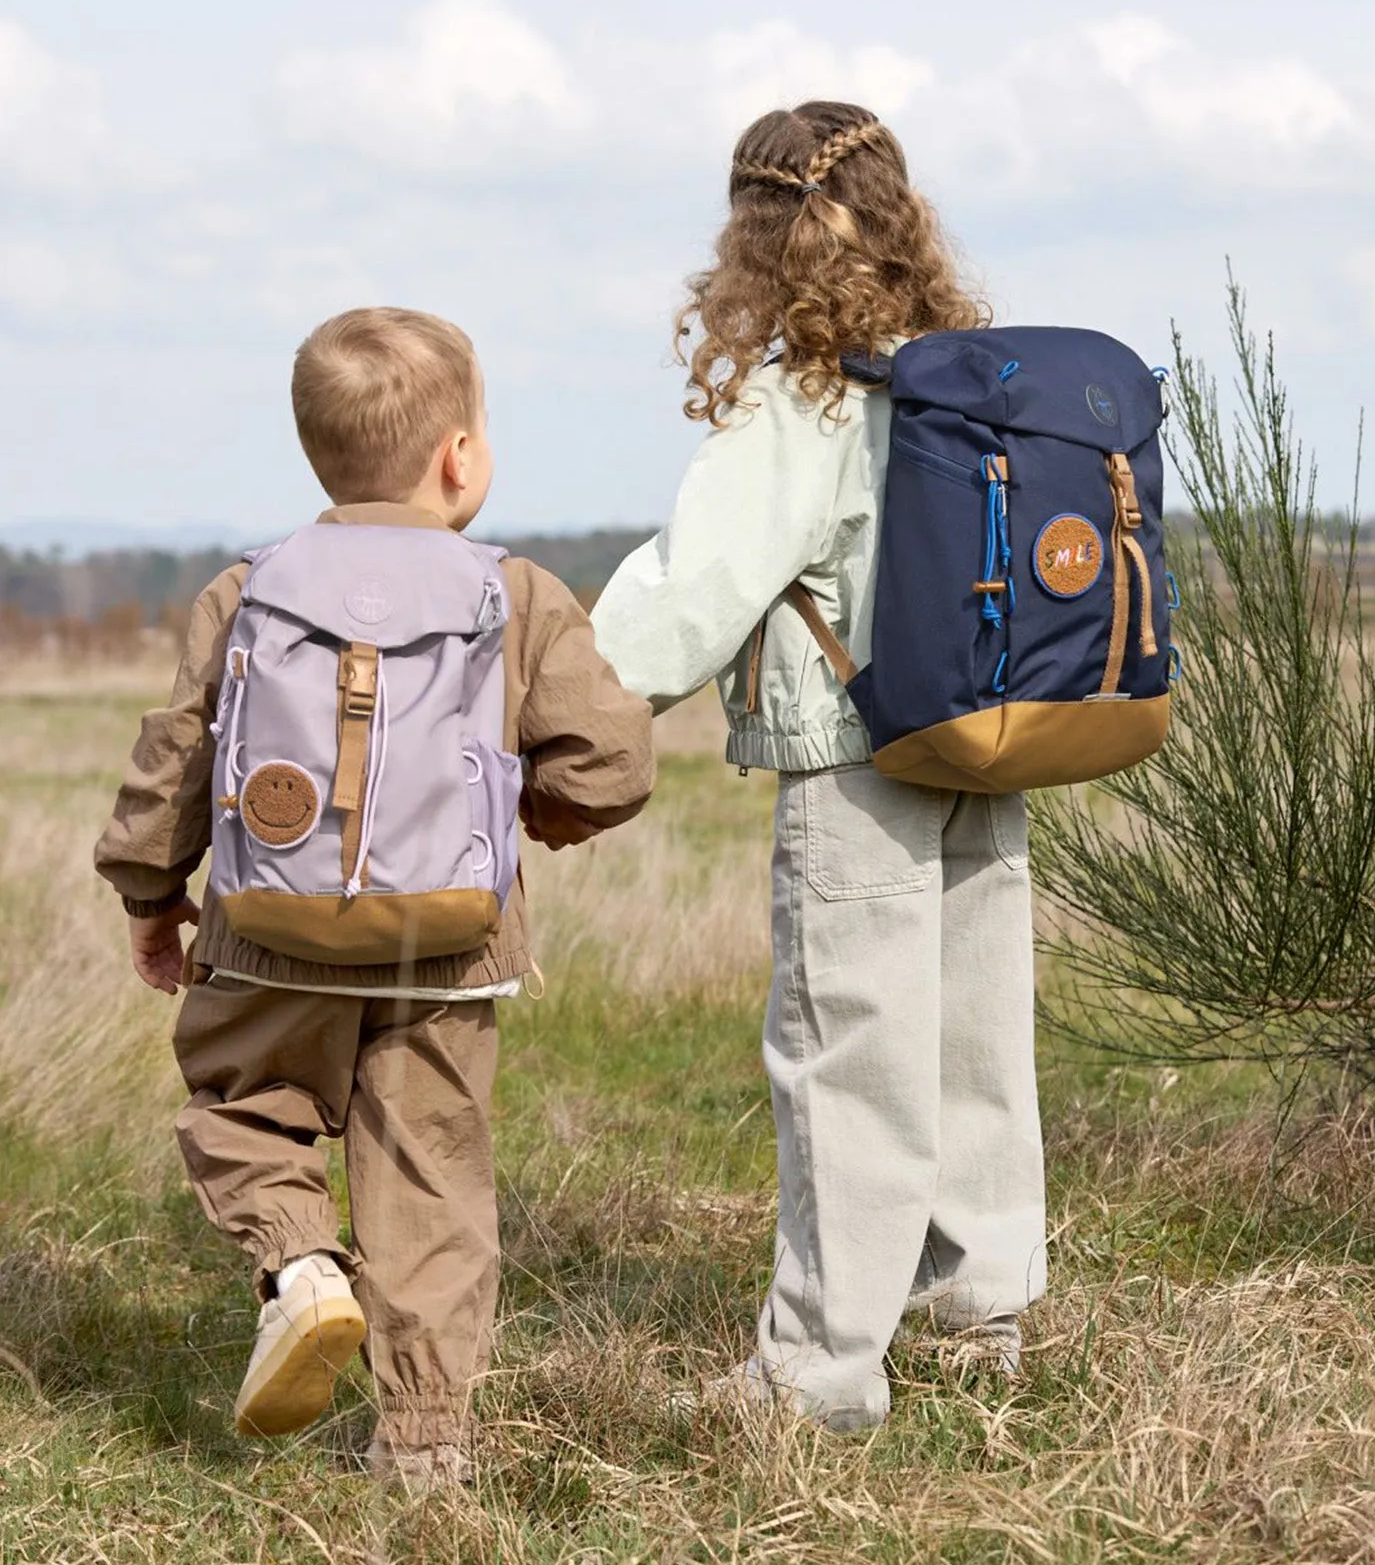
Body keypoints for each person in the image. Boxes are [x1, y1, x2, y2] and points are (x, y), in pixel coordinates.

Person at [94, 307, 655, 1483]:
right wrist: (522, 816)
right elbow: (614, 760)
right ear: (461, 456)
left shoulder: (247, 587)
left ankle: (301, 1268)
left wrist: (152, 892)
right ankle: (424, 1443)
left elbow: (176, 756)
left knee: (243, 1108)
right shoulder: (517, 592)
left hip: (263, 933)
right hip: (446, 948)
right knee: (431, 1173)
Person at [589, 102, 1044, 1432]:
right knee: (972, 1047)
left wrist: (545, 700)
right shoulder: (971, 377)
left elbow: (690, 594)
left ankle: (814, 1382)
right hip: (987, 743)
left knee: (848, 1058)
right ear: (907, 217)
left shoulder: (806, 396)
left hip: (857, 755)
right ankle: (980, 1328)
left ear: (753, 232)